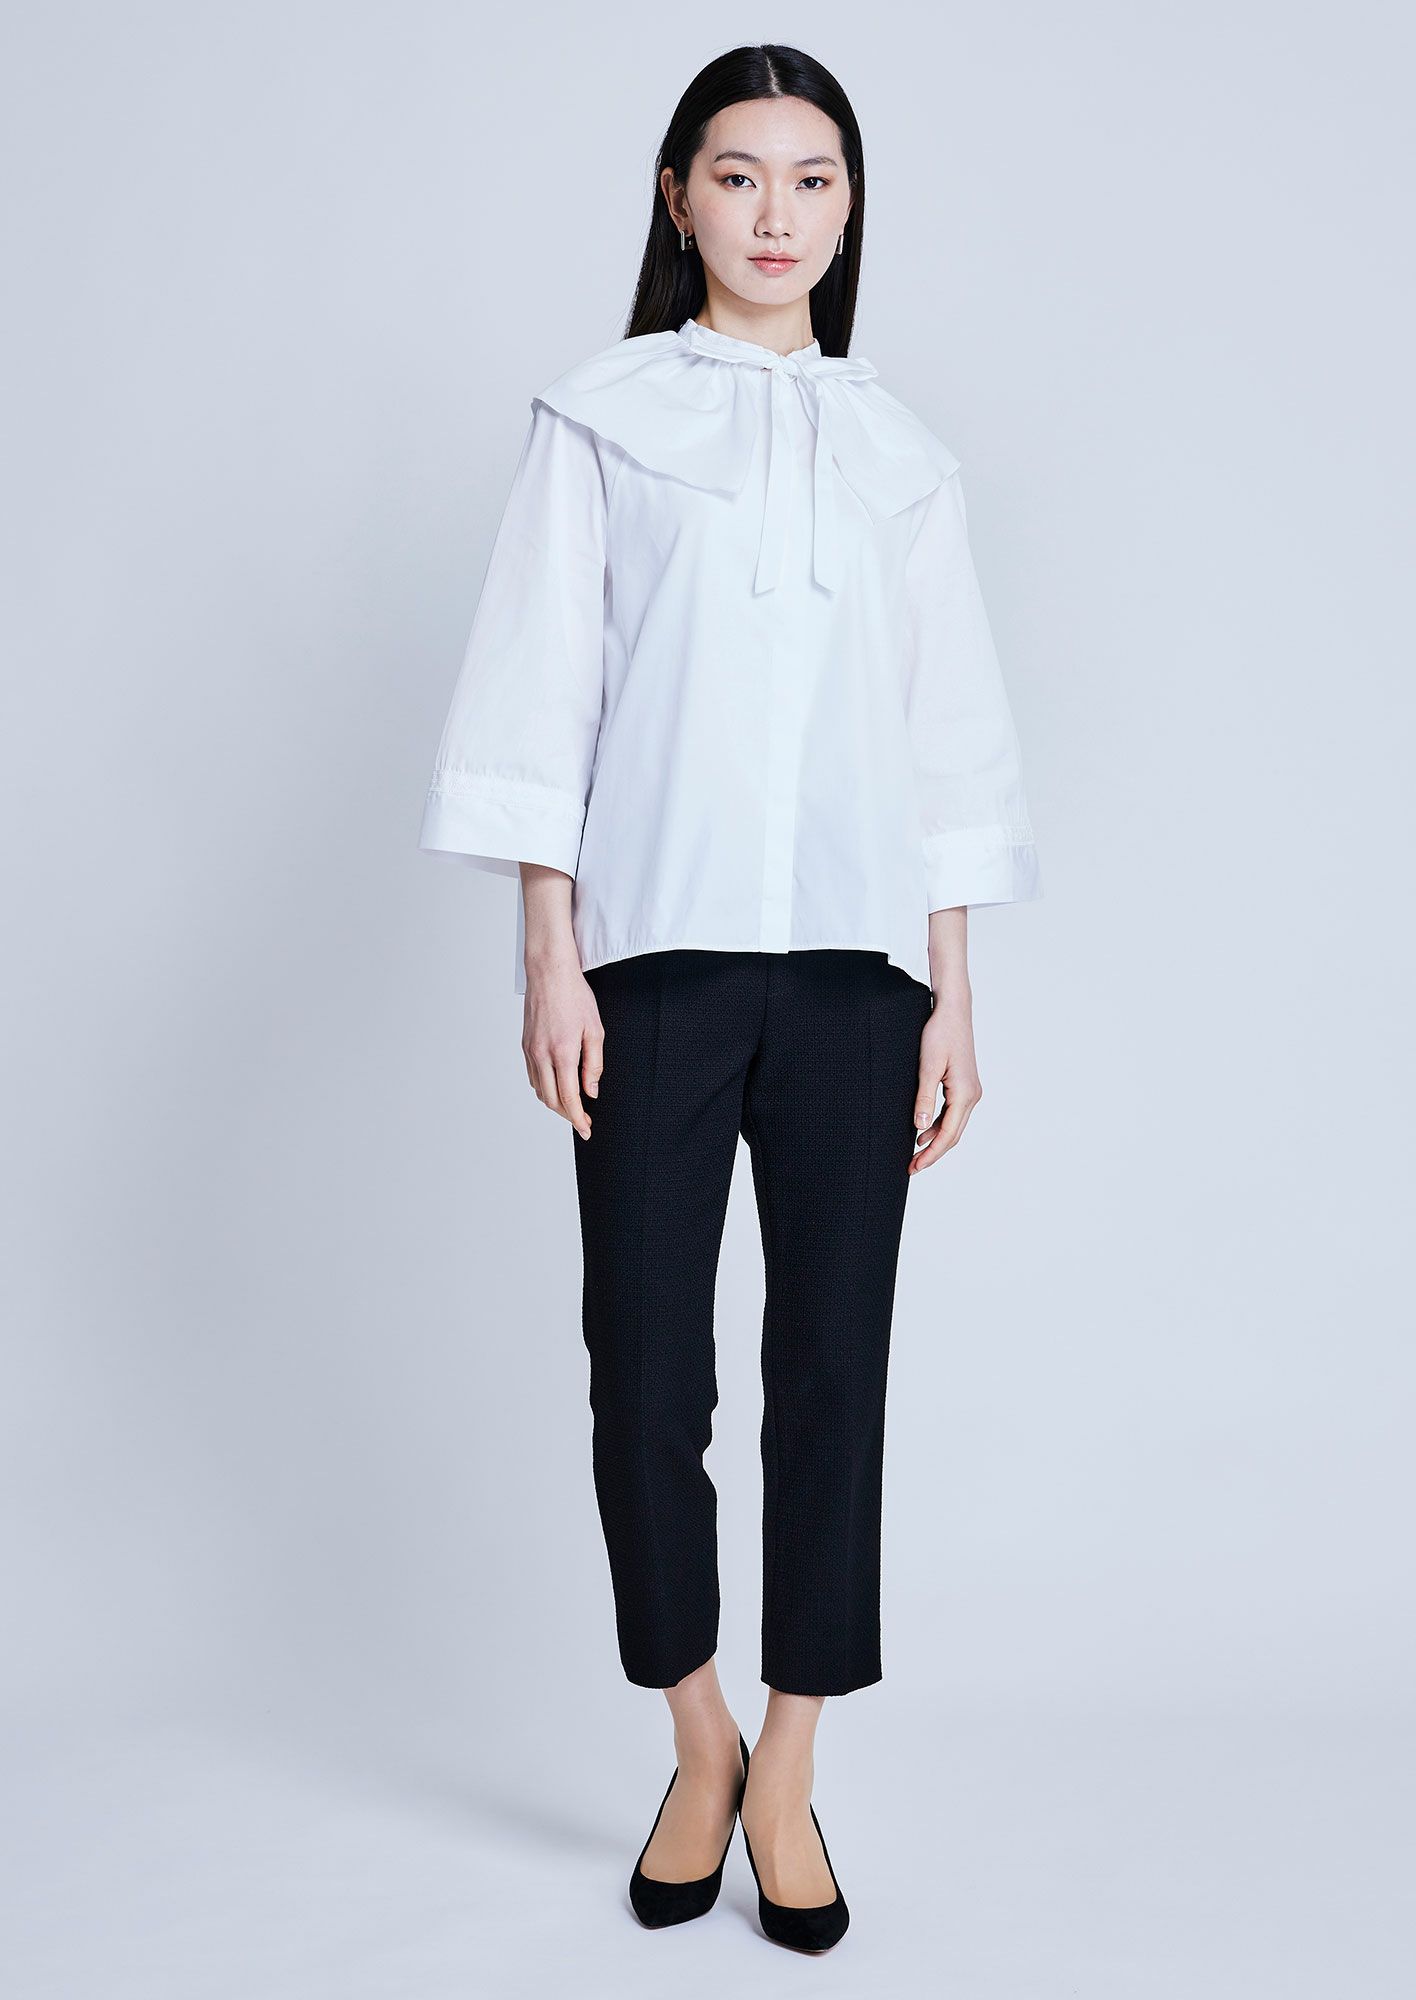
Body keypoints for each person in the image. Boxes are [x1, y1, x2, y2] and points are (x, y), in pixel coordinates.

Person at [417, 43, 1042, 1954]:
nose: (779, 214)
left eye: (815, 179)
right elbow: (546, 690)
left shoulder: (902, 456)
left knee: (833, 1373)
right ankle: (695, 1739)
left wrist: (951, 991)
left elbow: (945, 739)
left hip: (859, 978)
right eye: (741, 175)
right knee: (646, 1369)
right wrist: (550, 950)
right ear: (679, 197)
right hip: (656, 966)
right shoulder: (602, 420)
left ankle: (792, 1764)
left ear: (850, 212)